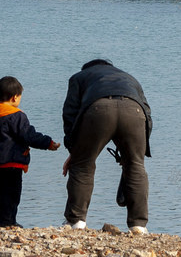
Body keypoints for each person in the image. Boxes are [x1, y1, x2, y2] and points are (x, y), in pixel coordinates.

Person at [61, 59, 152, 233]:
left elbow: (70, 114)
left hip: (97, 110)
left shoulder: (79, 77)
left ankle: (76, 222)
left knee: (82, 166)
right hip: (135, 111)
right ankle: (138, 226)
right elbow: (147, 112)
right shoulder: (129, 78)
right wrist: (139, 150)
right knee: (135, 165)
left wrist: (74, 149)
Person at [0, 76, 59, 227]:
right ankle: (8, 221)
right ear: (15, 97)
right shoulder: (16, 116)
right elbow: (29, 135)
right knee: (11, 192)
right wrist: (48, 143)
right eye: (19, 97)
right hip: (11, 161)